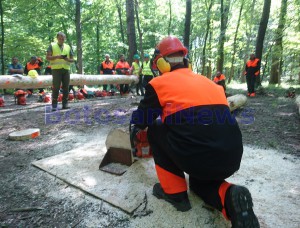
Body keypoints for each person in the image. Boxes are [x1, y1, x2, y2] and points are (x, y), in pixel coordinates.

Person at [130, 36, 260, 228]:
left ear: (162, 63)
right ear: (186, 60)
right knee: (199, 183)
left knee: (156, 128)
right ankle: (228, 196)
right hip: (231, 158)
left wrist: (134, 130)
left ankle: (175, 194)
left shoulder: (159, 84)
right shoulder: (209, 83)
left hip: (196, 156)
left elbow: (142, 119)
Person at [46, 32, 74, 111]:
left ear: (64, 38)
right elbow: (47, 57)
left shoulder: (68, 47)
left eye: (63, 38)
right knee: (56, 87)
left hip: (66, 69)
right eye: (60, 38)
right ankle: (54, 105)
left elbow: (72, 59)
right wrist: (57, 57)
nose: (62, 39)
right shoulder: (52, 46)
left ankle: (65, 104)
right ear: (57, 38)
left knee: (66, 87)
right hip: (56, 69)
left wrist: (67, 59)